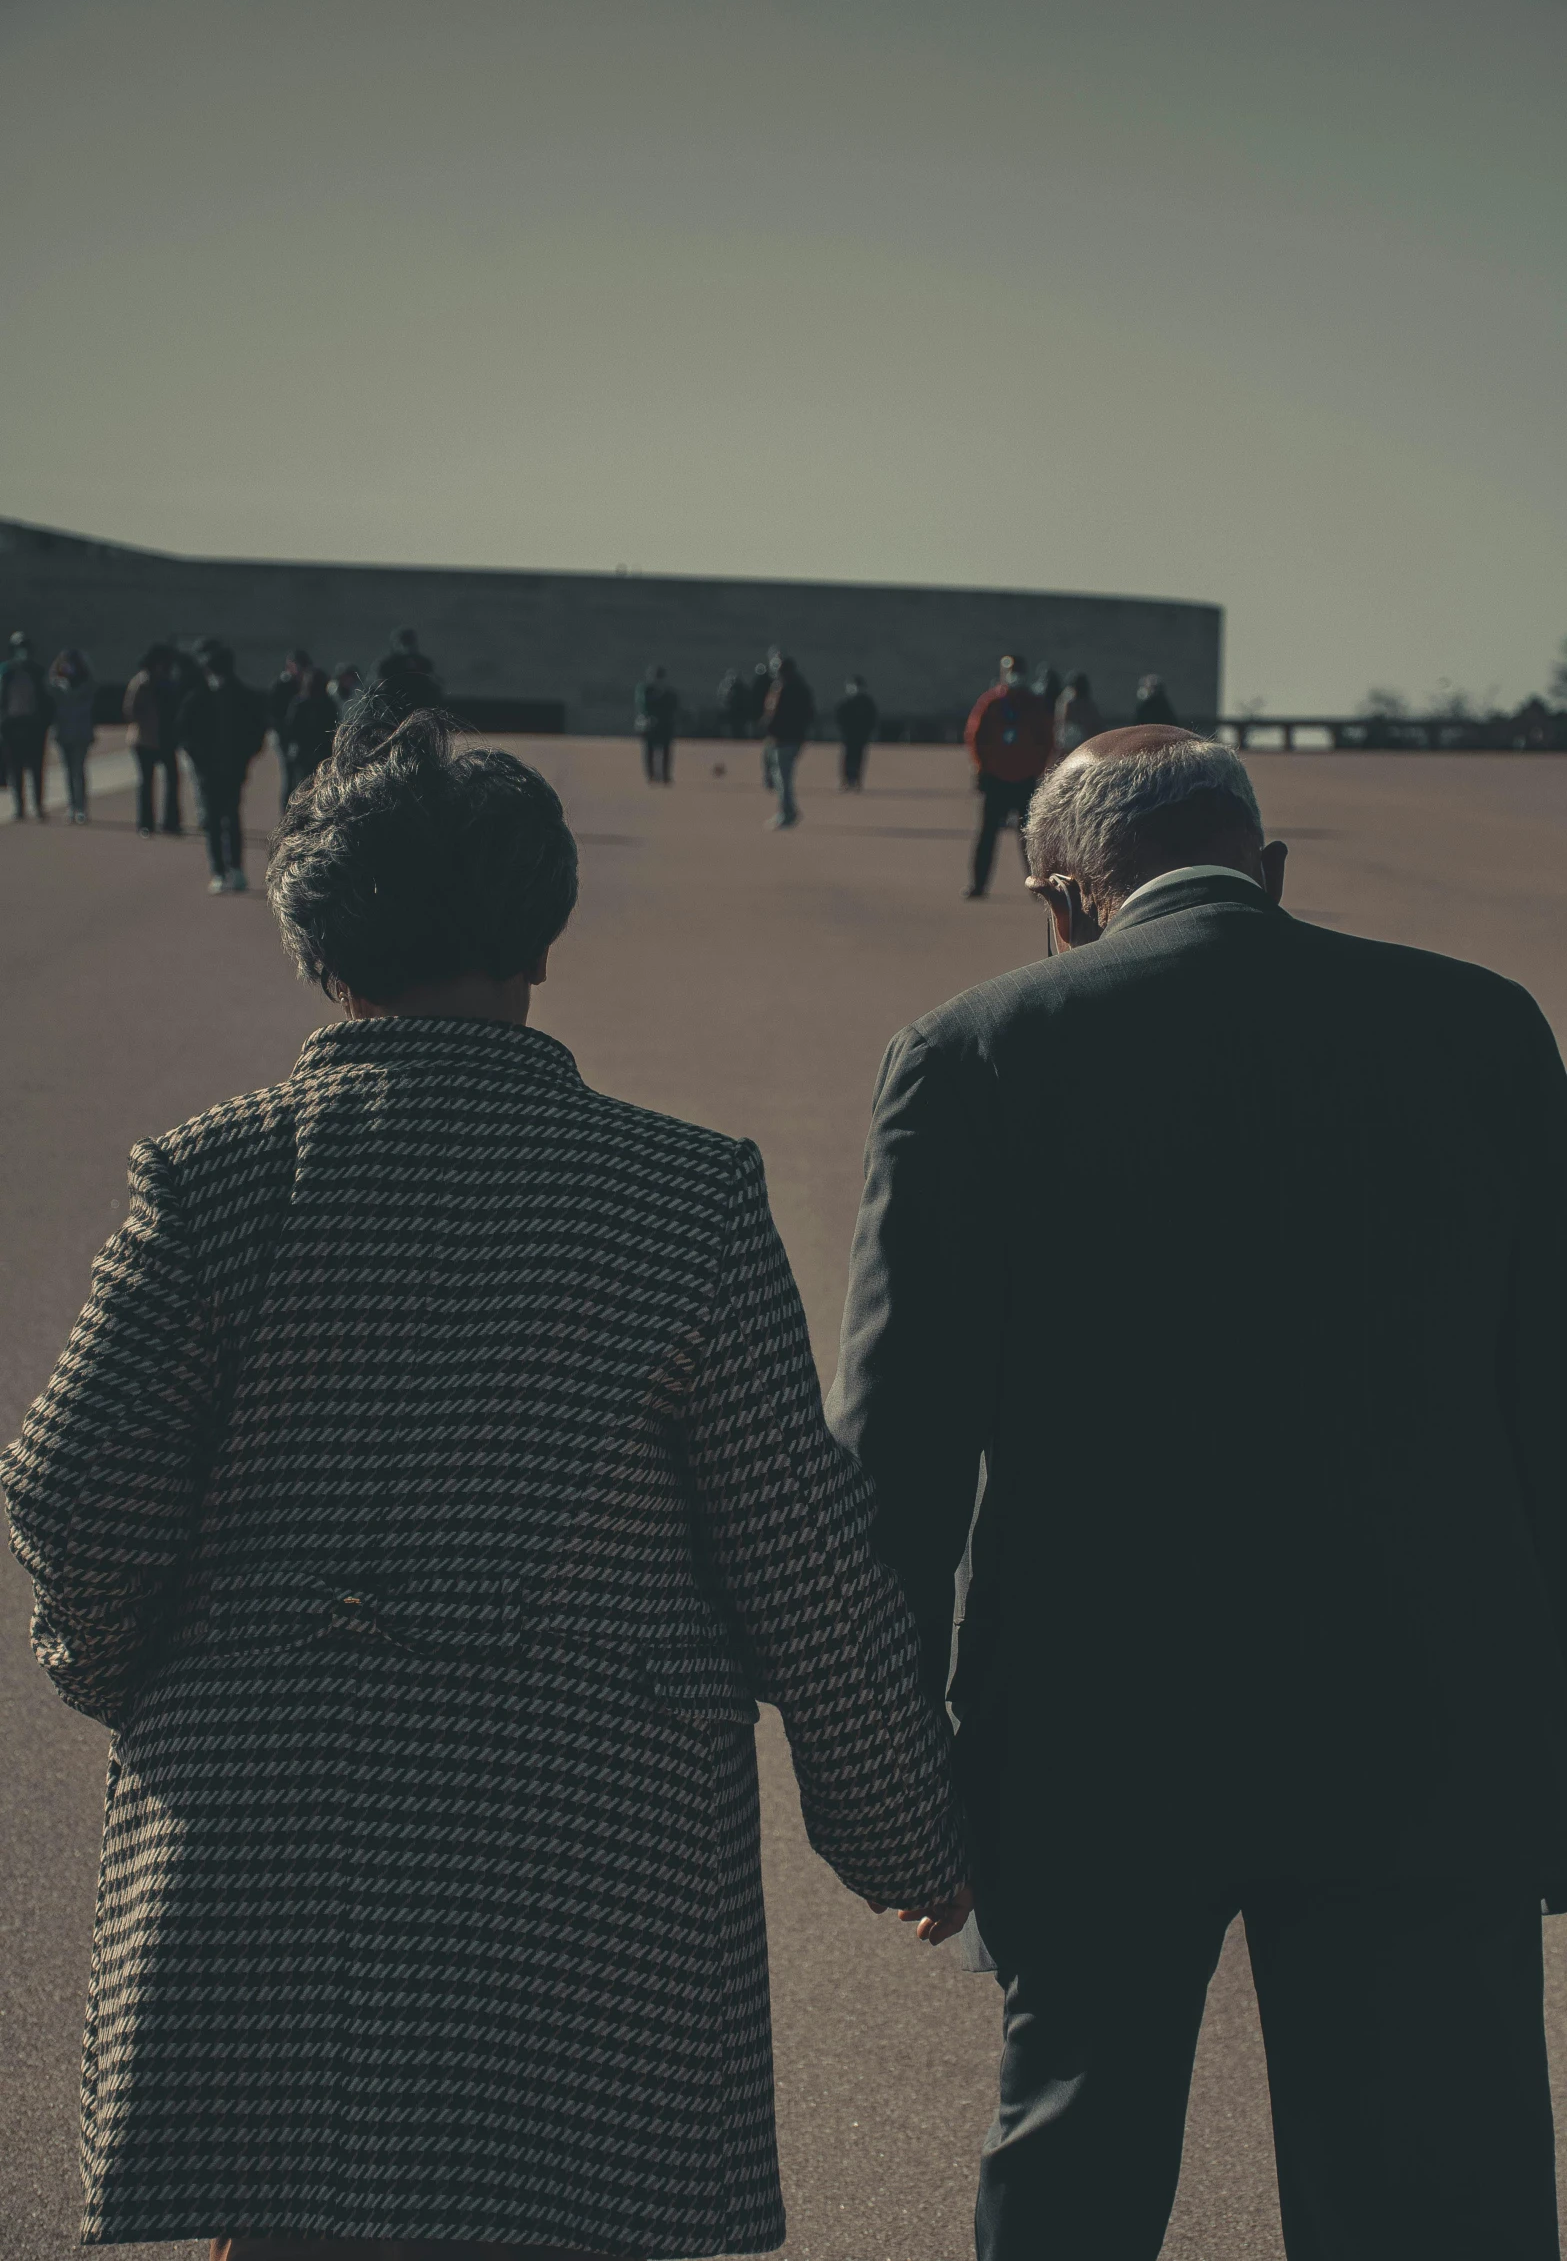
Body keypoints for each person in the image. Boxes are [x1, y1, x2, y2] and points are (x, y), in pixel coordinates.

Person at [1, 696, 966, 2261]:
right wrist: (906, 1839)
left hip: (263, 1845)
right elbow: (802, 1559)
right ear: (540, 936)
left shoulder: (214, 1171)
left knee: (295, 2222)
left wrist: (163, 1677)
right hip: (582, 1864)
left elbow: (67, 1495)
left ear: (314, 941)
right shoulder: (684, 1196)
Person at [828, 723, 1567, 2261]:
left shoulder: (974, 1051)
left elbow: (895, 1465)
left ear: (1056, 896)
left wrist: (893, 1794)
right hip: (1426, 1726)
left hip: (1097, 1729)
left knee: (1077, 2171)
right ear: (1268, 867)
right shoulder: (1480, 1029)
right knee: (1436, 2196)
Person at [176, 640, 268, 892]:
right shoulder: (198, 698)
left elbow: (256, 732)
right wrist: (199, 759)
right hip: (211, 770)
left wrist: (244, 758)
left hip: (230, 769)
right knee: (218, 821)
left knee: (228, 819)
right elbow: (185, 733)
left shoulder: (240, 697)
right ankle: (221, 870)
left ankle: (232, 870)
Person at [961, 655, 1055, 898]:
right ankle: (979, 885)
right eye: (1010, 672)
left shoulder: (1034, 705)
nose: (1015, 678)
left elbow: (1047, 738)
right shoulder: (991, 702)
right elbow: (975, 735)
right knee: (987, 836)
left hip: (1024, 780)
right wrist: (982, 766)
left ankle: (1038, 888)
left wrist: (1037, 767)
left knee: (1030, 838)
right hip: (995, 779)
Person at [123, 643, 185, 837]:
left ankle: (171, 822)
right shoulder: (141, 683)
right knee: (146, 783)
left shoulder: (169, 682)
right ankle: (146, 823)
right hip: (144, 740)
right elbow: (130, 710)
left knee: (173, 780)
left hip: (166, 739)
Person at [1, 631, 51, 820]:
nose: (22, 652)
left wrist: (44, 722)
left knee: (36, 768)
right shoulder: (6, 673)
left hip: (32, 725)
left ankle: (38, 805)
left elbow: (45, 700)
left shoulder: (36, 672)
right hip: (12, 725)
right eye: (18, 648)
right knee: (15, 769)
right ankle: (19, 807)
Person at [761, 654, 815, 827]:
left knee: (782, 778)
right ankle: (788, 810)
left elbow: (774, 714)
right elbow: (809, 714)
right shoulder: (802, 688)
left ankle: (787, 813)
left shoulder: (782, 688)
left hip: (782, 738)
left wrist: (769, 728)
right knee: (784, 777)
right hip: (795, 738)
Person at [48, 648, 96, 823]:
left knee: (78, 770)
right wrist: (57, 667)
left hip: (81, 734)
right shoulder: (58, 685)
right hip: (63, 733)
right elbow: (48, 683)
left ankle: (81, 807)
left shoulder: (85, 684)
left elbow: (91, 684)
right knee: (68, 772)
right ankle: (72, 806)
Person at [280, 666, 340, 798]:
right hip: (321, 753)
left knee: (301, 789)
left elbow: (289, 729)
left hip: (304, 753)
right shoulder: (328, 704)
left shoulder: (300, 704)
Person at [268, 647, 314, 814]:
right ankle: (287, 813)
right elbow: (273, 713)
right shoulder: (282, 685)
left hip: (299, 737)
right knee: (289, 774)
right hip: (283, 736)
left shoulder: (308, 684)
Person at [633, 663, 679, 783]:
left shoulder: (670, 693)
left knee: (666, 751)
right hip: (650, 724)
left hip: (665, 724)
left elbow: (674, 707)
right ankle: (651, 775)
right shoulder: (645, 690)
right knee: (649, 750)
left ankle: (665, 775)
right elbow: (643, 705)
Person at [836, 675, 878, 789]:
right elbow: (839, 718)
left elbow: (872, 719)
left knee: (859, 758)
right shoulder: (845, 702)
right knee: (847, 758)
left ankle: (856, 780)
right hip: (848, 736)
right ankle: (846, 780)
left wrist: (868, 732)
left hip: (861, 736)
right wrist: (844, 730)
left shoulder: (867, 703)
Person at [1053, 669, 1102, 754]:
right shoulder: (1067, 701)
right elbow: (1061, 724)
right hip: (1067, 745)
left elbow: (1096, 726)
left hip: (1086, 745)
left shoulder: (1088, 705)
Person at [374, 624, 439, 687]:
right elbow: (376, 684)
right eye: (404, 643)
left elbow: (432, 682)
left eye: (409, 642)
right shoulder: (385, 664)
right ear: (396, 644)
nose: (406, 647)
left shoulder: (424, 663)